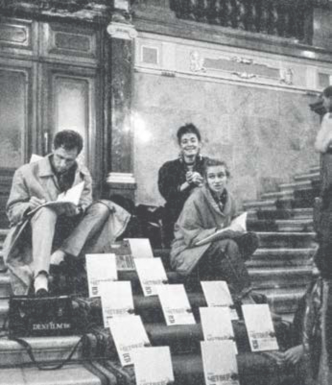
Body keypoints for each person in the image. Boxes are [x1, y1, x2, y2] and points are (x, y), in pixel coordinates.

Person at [3, 130, 130, 296]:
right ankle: (41, 276)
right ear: (53, 150)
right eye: (59, 157)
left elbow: (86, 202)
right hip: (36, 233)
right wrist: (28, 206)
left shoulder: (83, 174)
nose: (63, 164)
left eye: (69, 160)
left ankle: (62, 253)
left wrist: (77, 209)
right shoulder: (26, 172)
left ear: (77, 156)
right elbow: (12, 211)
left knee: (104, 208)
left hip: (67, 232)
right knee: (47, 211)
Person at [170, 158, 259, 301]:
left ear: (227, 178)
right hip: (188, 251)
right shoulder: (195, 199)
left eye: (221, 175)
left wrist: (237, 228)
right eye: (212, 177)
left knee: (251, 239)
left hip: (213, 248)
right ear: (205, 180)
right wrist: (218, 232)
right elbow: (190, 235)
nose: (217, 181)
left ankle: (229, 277)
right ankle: (245, 296)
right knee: (227, 245)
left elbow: (231, 219)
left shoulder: (229, 198)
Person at [158, 123, 209, 247]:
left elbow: (218, 191)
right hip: (176, 215)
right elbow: (167, 194)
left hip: (202, 216)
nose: (189, 144)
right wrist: (187, 184)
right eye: (184, 141)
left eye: (193, 140)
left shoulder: (210, 165)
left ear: (199, 144)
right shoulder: (168, 167)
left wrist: (202, 183)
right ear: (180, 146)